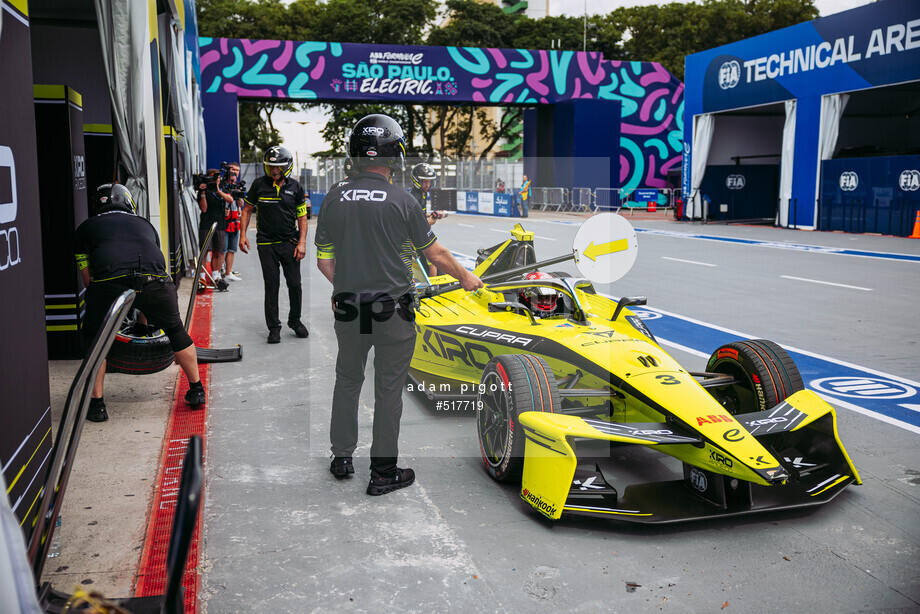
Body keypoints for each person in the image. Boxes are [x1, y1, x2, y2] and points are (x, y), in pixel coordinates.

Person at [315, 113, 483, 496]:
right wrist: (465, 277)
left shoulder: (334, 199)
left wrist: (348, 287)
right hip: (393, 309)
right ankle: (383, 472)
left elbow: (325, 261)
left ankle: (341, 457)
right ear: (395, 156)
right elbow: (435, 253)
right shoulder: (403, 201)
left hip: (348, 307)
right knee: (388, 389)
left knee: (347, 380)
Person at [74, 184, 206, 422]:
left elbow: (87, 280)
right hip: (154, 280)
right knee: (176, 331)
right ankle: (197, 390)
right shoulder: (145, 224)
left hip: (109, 281)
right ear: (128, 203)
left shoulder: (85, 228)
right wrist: (144, 322)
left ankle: (97, 406)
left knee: (94, 338)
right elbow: (153, 264)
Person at [240, 146, 309, 343]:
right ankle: (274, 327)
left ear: (287, 167)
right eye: (271, 166)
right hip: (266, 244)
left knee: (295, 284)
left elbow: (302, 216)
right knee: (272, 286)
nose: (274, 170)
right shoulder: (259, 185)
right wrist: (242, 235)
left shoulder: (295, 187)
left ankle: (295, 322)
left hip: (290, 243)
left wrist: (302, 242)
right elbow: (246, 210)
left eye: (278, 167)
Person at [408, 162, 447, 277]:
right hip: (415, 240)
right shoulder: (415, 198)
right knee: (433, 261)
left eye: (429, 181)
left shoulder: (420, 195)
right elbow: (417, 223)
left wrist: (433, 214)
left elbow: (420, 214)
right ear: (417, 180)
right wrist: (431, 221)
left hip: (417, 238)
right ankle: (433, 288)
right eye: (424, 181)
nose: (427, 184)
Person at [197, 168, 233, 285]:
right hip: (206, 225)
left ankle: (215, 276)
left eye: (216, 178)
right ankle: (201, 278)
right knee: (205, 252)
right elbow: (204, 209)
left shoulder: (222, 189)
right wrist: (202, 193)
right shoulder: (203, 191)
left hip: (220, 224)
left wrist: (218, 191)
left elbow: (231, 200)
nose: (215, 180)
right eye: (212, 177)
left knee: (217, 251)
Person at [220, 162, 244, 281]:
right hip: (223, 221)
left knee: (232, 249)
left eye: (237, 170)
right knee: (221, 250)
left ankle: (229, 272)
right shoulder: (222, 186)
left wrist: (238, 195)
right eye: (233, 169)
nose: (235, 172)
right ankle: (219, 273)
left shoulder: (238, 186)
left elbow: (241, 204)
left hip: (235, 221)